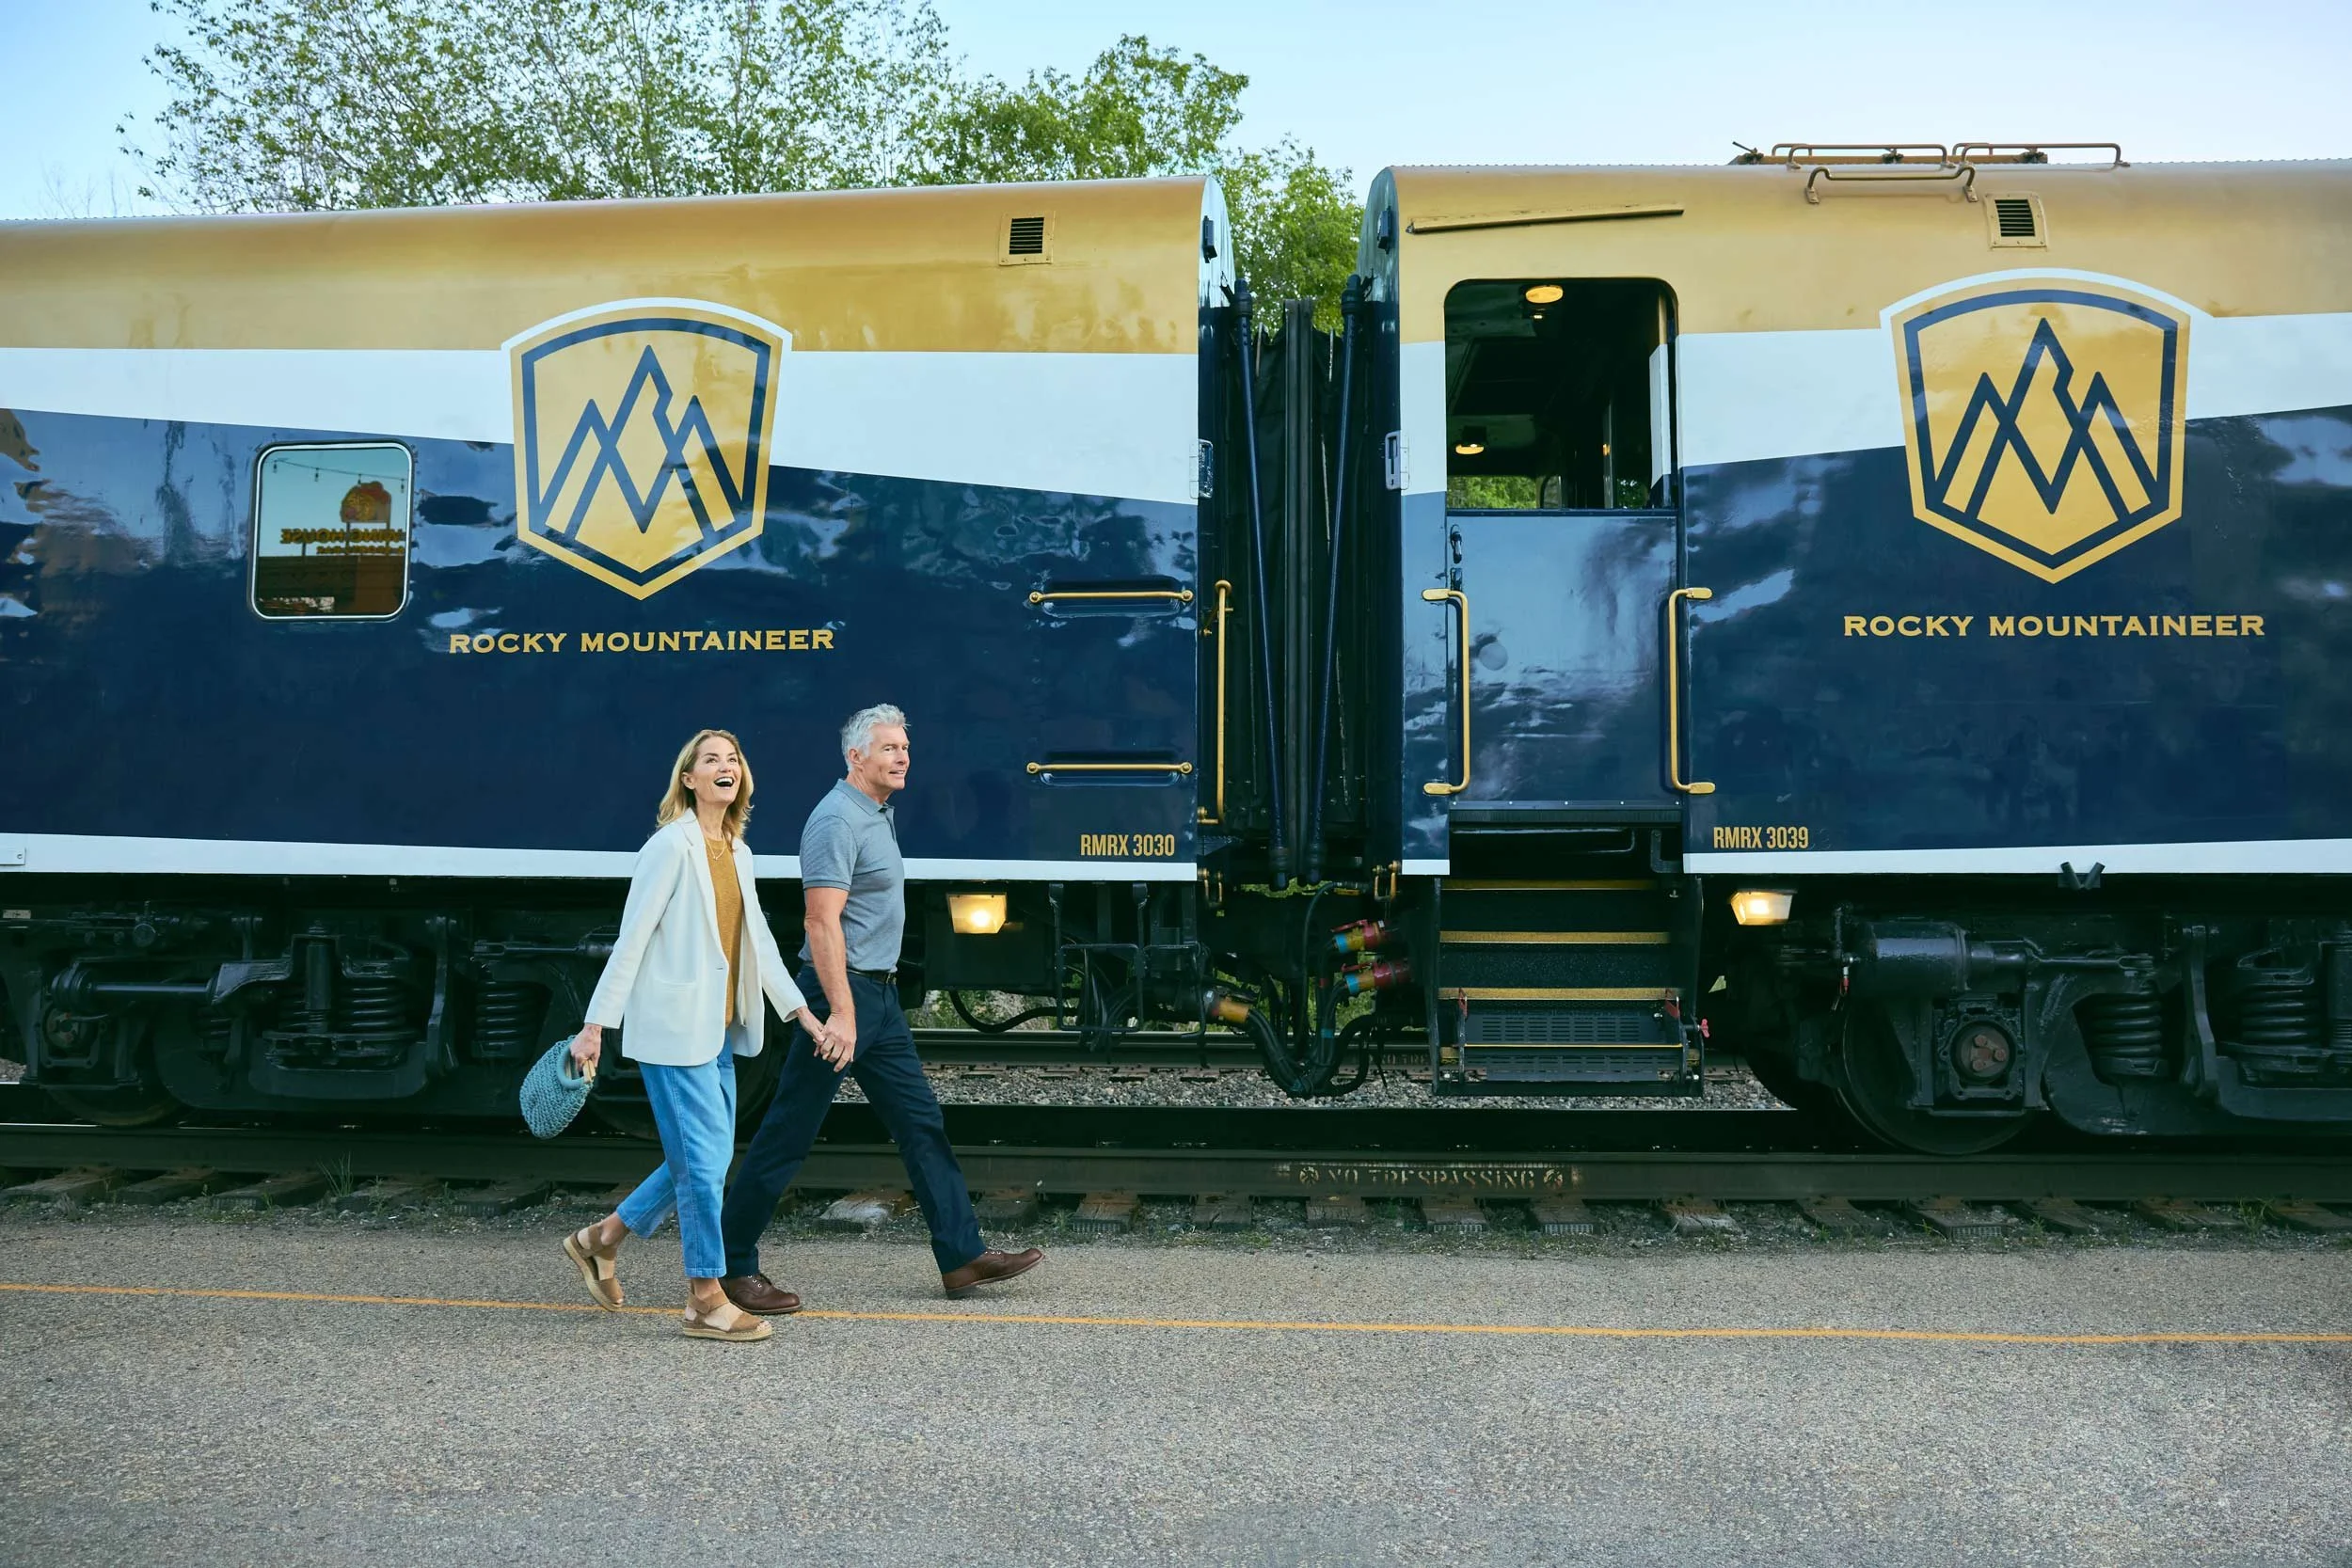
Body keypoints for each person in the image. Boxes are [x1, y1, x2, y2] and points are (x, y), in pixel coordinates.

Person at [717, 704, 1043, 1310]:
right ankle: (730, 1267)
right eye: (889, 748)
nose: (903, 758)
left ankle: (962, 1257)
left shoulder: (874, 814)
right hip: (841, 995)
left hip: (879, 999)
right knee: (789, 1131)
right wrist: (841, 1014)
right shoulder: (835, 820)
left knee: (921, 1124)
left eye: (905, 748)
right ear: (856, 757)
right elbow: (820, 922)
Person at [557, 728, 838, 1342]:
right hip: (672, 1030)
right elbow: (631, 939)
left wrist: (804, 1014)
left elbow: (759, 942)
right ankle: (705, 1298)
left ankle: (601, 1239)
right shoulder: (669, 847)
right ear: (688, 779)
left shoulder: (737, 850)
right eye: (711, 759)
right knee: (704, 1164)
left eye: (732, 758)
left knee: (701, 1158)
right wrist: (594, 1026)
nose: (724, 765)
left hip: (718, 1031)